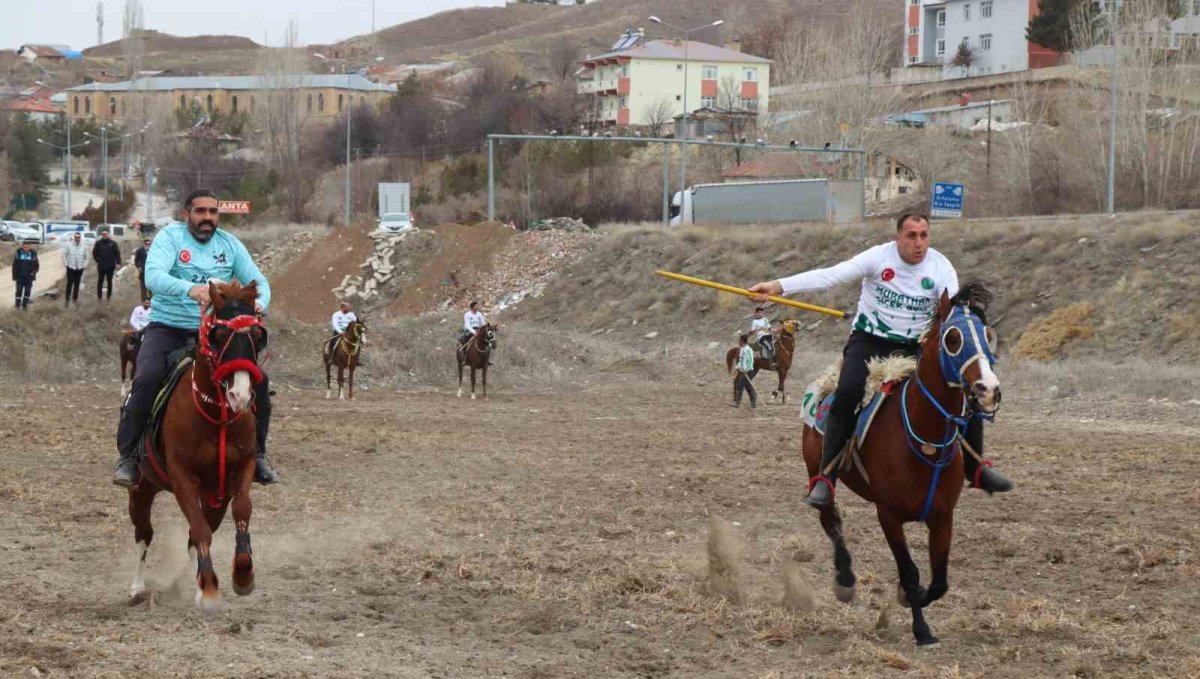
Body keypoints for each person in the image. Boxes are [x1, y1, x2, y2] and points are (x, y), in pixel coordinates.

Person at [748, 212, 1012, 508]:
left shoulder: (941, 267)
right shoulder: (877, 258)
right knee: (847, 393)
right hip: (869, 342)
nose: (919, 243)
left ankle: (976, 469)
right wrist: (778, 286)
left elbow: (948, 312)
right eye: (911, 236)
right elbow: (830, 276)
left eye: (924, 235)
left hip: (915, 346)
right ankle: (826, 478)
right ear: (897, 237)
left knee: (962, 390)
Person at [112, 189, 279, 488]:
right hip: (168, 328)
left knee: (260, 381)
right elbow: (153, 276)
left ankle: (260, 456)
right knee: (147, 377)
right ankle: (129, 456)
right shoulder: (170, 238)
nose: (207, 218)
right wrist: (191, 289)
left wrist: (258, 304)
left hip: (217, 335)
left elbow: (261, 283)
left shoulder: (230, 245)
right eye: (200, 212)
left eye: (213, 212)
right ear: (186, 214)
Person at [92, 228, 121, 301]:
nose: (104, 235)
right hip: (101, 266)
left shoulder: (113, 243)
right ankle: (99, 297)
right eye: (103, 234)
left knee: (109, 282)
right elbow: (94, 253)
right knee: (100, 282)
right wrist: (98, 260)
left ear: (108, 234)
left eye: (105, 234)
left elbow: (117, 253)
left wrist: (118, 263)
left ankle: (108, 297)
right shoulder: (98, 243)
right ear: (101, 235)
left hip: (110, 266)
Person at [60, 231, 88, 308]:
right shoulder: (68, 245)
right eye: (76, 237)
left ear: (80, 238)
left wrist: (84, 265)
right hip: (70, 267)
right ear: (73, 237)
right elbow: (64, 255)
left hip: (79, 268)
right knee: (69, 284)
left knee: (77, 284)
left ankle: (75, 299)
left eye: (78, 237)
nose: (77, 238)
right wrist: (66, 264)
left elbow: (87, 257)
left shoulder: (83, 246)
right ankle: (67, 300)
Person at [731, 333, 758, 409]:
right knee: (748, 387)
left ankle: (737, 403)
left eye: (739, 340)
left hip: (748, 371)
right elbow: (741, 361)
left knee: (740, 385)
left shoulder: (748, 350)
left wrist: (746, 369)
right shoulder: (742, 349)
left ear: (742, 341)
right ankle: (753, 402)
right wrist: (737, 368)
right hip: (743, 371)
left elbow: (750, 361)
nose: (739, 341)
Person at [11, 240, 39, 310]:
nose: (26, 248)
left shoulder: (33, 254)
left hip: (29, 276)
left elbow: (37, 265)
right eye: (24, 247)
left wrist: (34, 272)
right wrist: (14, 276)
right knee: (19, 291)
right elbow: (14, 265)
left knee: (27, 291)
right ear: (22, 246)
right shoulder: (18, 253)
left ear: (30, 247)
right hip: (20, 276)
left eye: (27, 247)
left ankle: (24, 306)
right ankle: (17, 306)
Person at [133, 237, 153, 301]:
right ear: (144, 244)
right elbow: (136, 260)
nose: (148, 245)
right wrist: (138, 267)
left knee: (151, 287)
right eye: (147, 244)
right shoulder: (139, 251)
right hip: (143, 271)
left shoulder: (153, 251)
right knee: (143, 287)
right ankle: (144, 301)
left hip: (151, 271)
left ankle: (152, 301)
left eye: (149, 244)